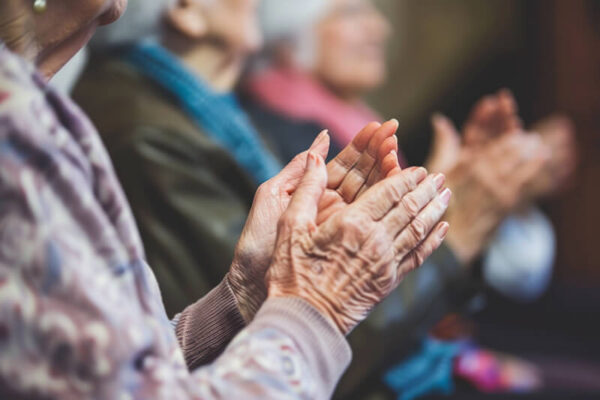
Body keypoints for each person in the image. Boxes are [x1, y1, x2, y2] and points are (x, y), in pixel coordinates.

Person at [0, 0, 451, 398]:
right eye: (350, 12)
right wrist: (319, 304)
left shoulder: (39, 105)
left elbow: (125, 363)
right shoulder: (45, 123)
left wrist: (245, 293)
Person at [242, 0, 576, 397]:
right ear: (288, 35)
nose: (379, 28)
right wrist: (457, 213)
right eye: (351, 14)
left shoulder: (354, 121)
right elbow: (357, 311)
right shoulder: (290, 141)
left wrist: (488, 189)